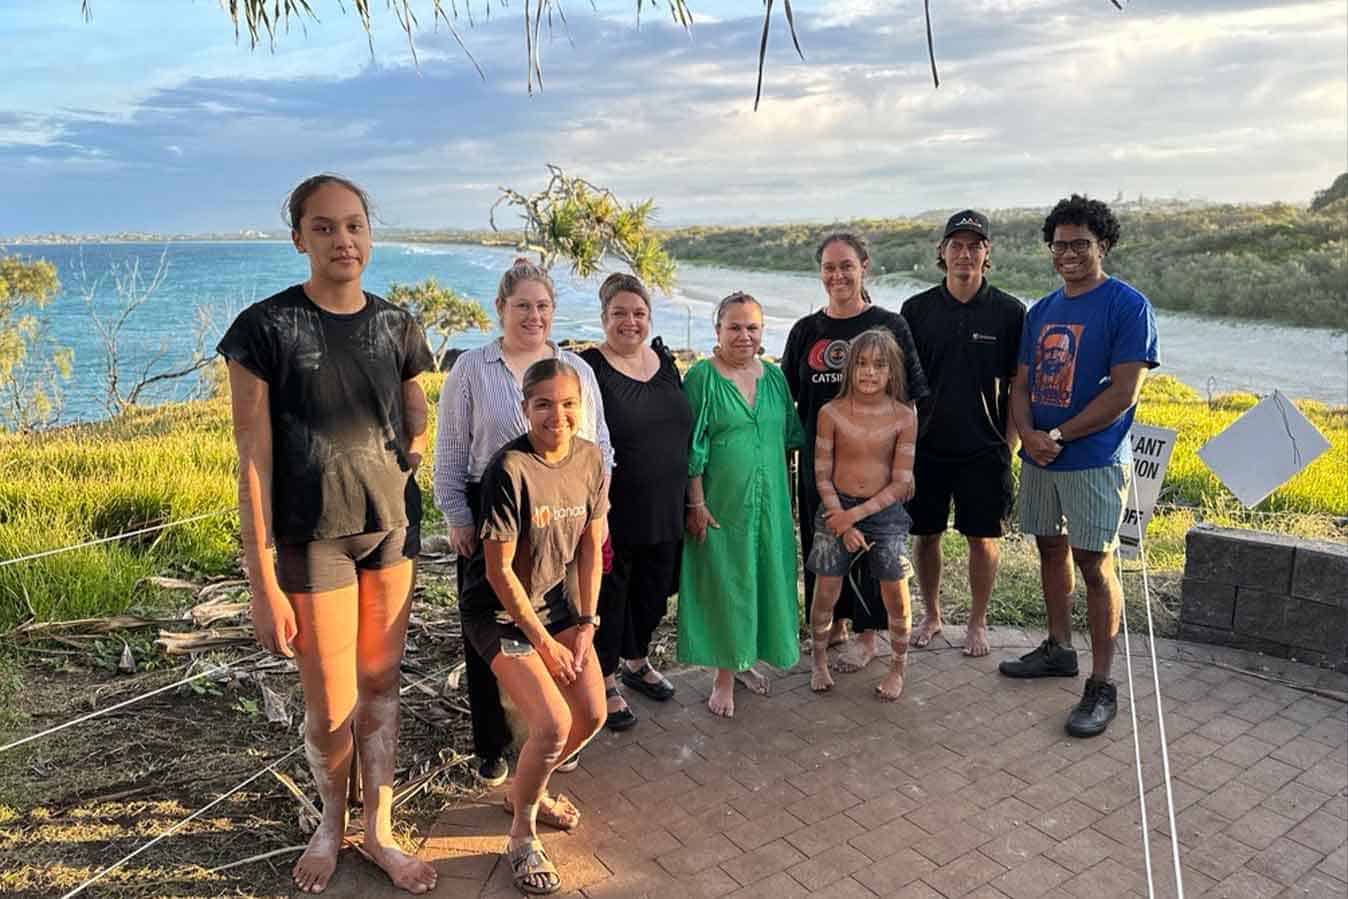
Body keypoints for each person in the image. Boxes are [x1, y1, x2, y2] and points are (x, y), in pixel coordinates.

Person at [218, 174, 438, 894]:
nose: (343, 239)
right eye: (324, 227)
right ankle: (329, 823)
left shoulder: (397, 324)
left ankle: (379, 831)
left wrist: (414, 445)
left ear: (369, 235)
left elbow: (413, 401)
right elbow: (253, 460)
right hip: (313, 538)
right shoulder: (264, 329)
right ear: (298, 238)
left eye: (354, 225)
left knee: (381, 686)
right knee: (331, 703)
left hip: (391, 529)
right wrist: (261, 581)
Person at [432, 259, 612, 785]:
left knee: (561, 614)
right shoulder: (473, 368)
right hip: (493, 505)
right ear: (501, 308)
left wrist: (598, 513)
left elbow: (599, 443)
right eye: (522, 306)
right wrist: (458, 516)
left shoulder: (575, 368)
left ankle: (551, 733)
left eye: (543, 306)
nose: (534, 316)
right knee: (492, 624)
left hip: (564, 505)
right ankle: (492, 744)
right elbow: (451, 448)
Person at [999, 194, 1159, 739]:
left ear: (1103, 245)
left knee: (1094, 563)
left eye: (1080, 244)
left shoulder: (1127, 306)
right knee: (1049, 548)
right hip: (1040, 457)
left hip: (1092, 459)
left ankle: (1102, 683)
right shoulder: (1042, 311)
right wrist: (1027, 435)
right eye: (1059, 245)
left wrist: (1058, 435)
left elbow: (1124, 392)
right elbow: (1021, 384)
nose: (1068, 254)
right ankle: (1059, 648)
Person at [461, 359, 608, 895]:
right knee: (550, 725)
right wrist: (545, 645)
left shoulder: (590, 459)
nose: (557, 415)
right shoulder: (509, 469)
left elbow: (591, 547)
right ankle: (522, 833)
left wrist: (587, 621)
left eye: (568, 404)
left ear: (581, 407)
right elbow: (498, 572)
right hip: (499, 612)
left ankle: (525, 787)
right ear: (525, 408)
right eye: (543, 404)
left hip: (557, 605)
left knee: (590, 714)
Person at [782, 232, 928, 674]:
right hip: (822, 467)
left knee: (873, 551)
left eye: (846, 265)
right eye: (829, 267)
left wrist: (904, 464)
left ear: (864, 267)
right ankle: (834, 627)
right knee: (825, 551)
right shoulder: (806, 331)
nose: (837, 275)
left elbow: (910, 396)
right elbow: (784, 398)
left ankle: (868, 636)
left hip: (878, 467)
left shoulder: (889, 326)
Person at [900, 211, 1025, 657]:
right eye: (957, 245)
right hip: (927, 447)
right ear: (942, 252)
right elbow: (903, 387)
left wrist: (1009, 445)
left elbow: (1019, 385)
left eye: (975, 245)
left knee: (983, 538)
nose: (965, 253)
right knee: (926, 535)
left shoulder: (1009, 312)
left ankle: (977, 622)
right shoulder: (916, 310)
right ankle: (932, 615)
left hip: (985, 449)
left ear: (987, 253)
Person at [680, 292, 805, 718]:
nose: (744, 335)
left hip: (771, 504)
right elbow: (692, 446)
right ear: (717, 331)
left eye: (752, 327)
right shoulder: (702, 377)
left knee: (762, 578)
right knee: (728, 584)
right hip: (722, 502)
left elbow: (789, 439)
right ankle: (723, 676)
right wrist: (696, 502)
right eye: (734, 327)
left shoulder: (774, 378)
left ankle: (746, 658)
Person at [580, 274, 692, 731]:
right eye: (619, 313)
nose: (630, 322)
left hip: (667, 502)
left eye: (639, 313)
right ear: (604, 317)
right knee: (610, 595)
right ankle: (604, 679)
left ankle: (635, 660)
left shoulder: (665, 362)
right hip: (614, 507)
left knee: (655, 589)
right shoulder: (588, 367)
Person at [806, 329, 918, 700]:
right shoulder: (831, 413)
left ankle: (897, 667)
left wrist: (855, 517)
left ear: (892, 371)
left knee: (895, 589)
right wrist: (840, 515)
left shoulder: (904, 416)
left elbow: (901, 483)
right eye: (863, 364)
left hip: (883, 510)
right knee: (827, 587)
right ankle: (818, 660)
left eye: (879, 365)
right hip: (835, 504)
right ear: (849, 368)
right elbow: (822, 473)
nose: (870, 372)